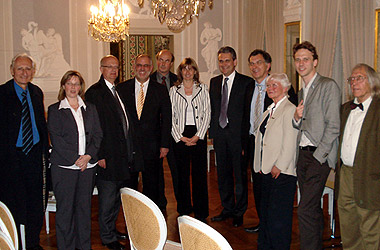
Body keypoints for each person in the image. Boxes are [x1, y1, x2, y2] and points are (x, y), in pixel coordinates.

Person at [85, 55, 141, 250]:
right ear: (101, 69)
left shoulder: (119, 91)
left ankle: (112, 230)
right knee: (107, 198)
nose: (113, 71)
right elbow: (92, 127)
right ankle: (107, 237)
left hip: (122, 155)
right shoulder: (95, 92)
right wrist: (99, 155)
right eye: (109, 67)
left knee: (116, 197)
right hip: (107, 157)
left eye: (116, 67)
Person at [292, 41, 340, 249]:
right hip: (302, 154)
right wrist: (295, 117)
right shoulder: (302, 91)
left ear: (315, 62)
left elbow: (333, 127)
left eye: (306, 59)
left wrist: (319, 157)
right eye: (298, 60)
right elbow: (299, 125)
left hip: (318, 156)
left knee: (304, 208)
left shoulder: (328, 86)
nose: (301, 63)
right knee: (310, 209)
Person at [242, 49, 297, 233]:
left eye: (258, 62)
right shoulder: (249, 87)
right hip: (255, 144)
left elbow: (291, 131)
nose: (254, 67)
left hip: (277, 156)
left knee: (276, 206)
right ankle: (262, 222)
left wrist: (280, 163)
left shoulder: (285, 98)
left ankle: (269, 227)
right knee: (259, 191)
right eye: (251, 63)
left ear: (268, 65)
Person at [47, 70, 102, 250]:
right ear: (63, 86)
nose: (73, 87)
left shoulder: (90, 108)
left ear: (81, 87)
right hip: (64, 168)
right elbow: (56, 140)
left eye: (76, 83)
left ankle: (84, 246)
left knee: (84, 209)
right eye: (69, 83)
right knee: (65, 211)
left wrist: (87, 157)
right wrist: (76, 159)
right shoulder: (55, 110)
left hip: (87, 167)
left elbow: (98, 136)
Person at [0, 53, 49, 250]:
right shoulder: (2, 93)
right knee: (13, 203)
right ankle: (14, 243)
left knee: (35, 203)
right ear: (12, 71)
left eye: (28, 69)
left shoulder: (36, 92)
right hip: (11, 158)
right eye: (20, 68)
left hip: (35, 156)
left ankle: (32, 242)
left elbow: (40, 124)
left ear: (33, 72)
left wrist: (45, 151)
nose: (24, 72)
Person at [117, 54, 171, 209]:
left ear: (151, 68)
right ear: (134, 67)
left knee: (152, 184)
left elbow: (166, 119)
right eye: (139, 65)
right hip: (129, 147)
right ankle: (132, 215)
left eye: (146, 66)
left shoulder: (160, 90)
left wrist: (164, 144)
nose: (142, 69)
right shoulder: (122, 88)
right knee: (129, 184)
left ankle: (152, 215)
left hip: (153, 147)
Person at [337, 63, 380, 250]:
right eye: (351, 79)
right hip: (345, 173)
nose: (354, 82)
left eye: (359, 78)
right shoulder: (346, 109)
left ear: (372, 82)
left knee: (369, 225)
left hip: (370, 176)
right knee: (348, 224)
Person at [209, 46, 253, 227]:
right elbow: (213, 109)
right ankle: (227, 208)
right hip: (220, 136)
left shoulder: (246, 83)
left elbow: (248, 114)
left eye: (227, 61)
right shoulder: (214, 82)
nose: (224, 64)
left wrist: (244, 142)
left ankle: (239, 212)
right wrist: (212, 133)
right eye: (221, 61)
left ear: (235, 62)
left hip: (238, 139)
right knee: (223, 175)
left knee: (240, 176)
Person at [253, 73, 298, 250]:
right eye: (269, 85)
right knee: (266, 216)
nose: (270, 88)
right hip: (267, 170)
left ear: (285, 88)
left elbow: (290, 141)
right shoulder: (270, 109)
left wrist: (279, 165)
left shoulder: (289, 109)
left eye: (275, 85)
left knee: (278, 220)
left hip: (281, 172)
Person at [169, 58, 211, 222]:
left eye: (190, 68)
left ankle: (201, 211)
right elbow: (170, 115)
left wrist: (198, 135)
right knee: (182, 175)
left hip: (198, 134)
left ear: (195, 71)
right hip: (179, 134)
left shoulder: (203, 89)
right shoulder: (174, 90)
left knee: (199, 175)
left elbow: (207, 112)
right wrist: (179, 136)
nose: (187, 72)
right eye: (184, 69)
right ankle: (184, 208)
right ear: (180, 72)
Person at [150, 49, 179, 211]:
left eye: (167, 61)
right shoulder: (148, 80)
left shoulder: (178, 80)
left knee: (177, 170)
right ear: (157, 60)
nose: (163, 63)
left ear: (171, 63)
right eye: (161, 60)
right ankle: (159, 204)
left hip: (175, 133)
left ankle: (181, 205)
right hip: (155, 134)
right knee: (156, 173)